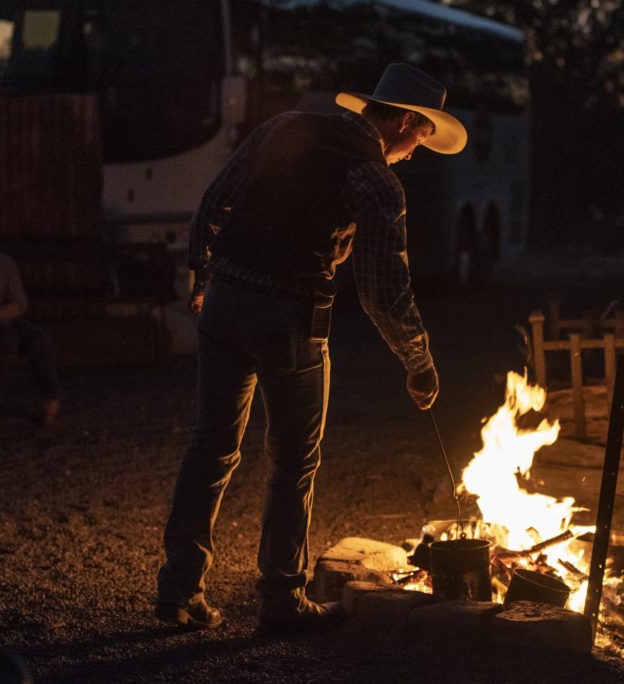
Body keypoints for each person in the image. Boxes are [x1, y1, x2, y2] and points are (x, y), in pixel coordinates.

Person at [156, 63, 467, 633]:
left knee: (212, 444)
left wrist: (202, 277)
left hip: (224, 301)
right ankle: (281, 599)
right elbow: (382, 288)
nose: (416, 153)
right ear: (403, 121)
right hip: (291, 316)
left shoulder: (286, 128)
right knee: (293, 460)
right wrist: (418, 361)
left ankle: (179, 588)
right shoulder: (375, 180)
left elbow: (214, 202)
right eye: (420, 138)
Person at [0, 200, 62, 434]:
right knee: (5, 340)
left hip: (1, 316)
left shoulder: (4, 263)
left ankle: (49, 401)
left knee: (38, 340)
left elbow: (19, 303)